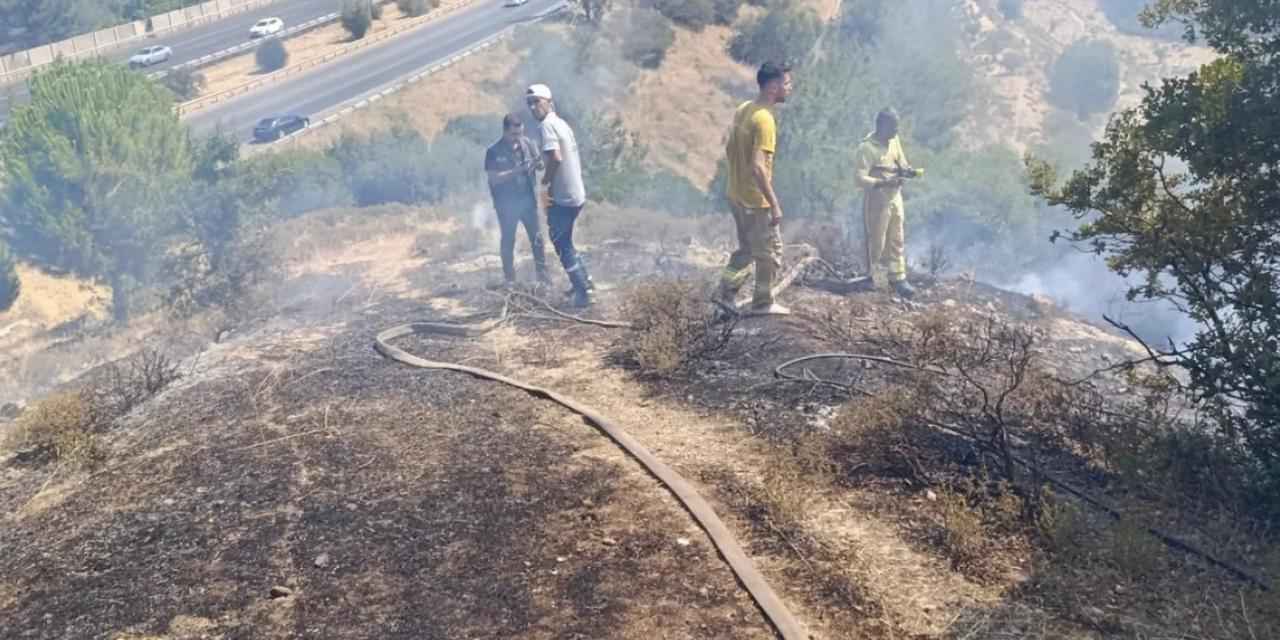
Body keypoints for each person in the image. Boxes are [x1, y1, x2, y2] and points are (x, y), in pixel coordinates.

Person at [716, 61, 793, 315]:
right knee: (770, 252)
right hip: (755, 201)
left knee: (747, 250)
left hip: (736, 195)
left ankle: (724, 294)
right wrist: (774, 203)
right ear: (772, 86)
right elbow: (759, 167)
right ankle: (763, 302)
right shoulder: (765, 120)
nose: (789, 88)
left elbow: (729, 149)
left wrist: (737, 180)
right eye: (786, 83)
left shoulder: (744, 109)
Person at [525, 83, 593, 308]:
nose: (533, 107)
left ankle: (582, 292)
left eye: (537, 102)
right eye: (530, 103)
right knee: (566, 240)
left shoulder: (546, 126)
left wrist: (546, 183)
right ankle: (584, 280)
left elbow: (555, 158)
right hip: (576, 193)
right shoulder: (561, 123)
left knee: (560, 243)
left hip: (563, 196)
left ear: (549, 103)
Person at [855, 107, 917, 299]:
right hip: (877, 200)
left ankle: (898, 278)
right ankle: (876, 280)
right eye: (893, 127)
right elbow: (859, 179)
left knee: (897, 238)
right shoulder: (866, 148)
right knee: (877, 241)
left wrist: (907, 170)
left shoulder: (894, 141)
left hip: (895, 197)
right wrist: (883, 182)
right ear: (882, 126)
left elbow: (901, 161)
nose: (896, 131)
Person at [484, 113, 550, 288]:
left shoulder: (528, 144)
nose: (517, 138)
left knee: (537, 239)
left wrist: (538, 164)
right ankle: (510, 280)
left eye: (520, 133)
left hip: (528, 201)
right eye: (514, 134)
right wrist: (517, 170)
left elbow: (541, 165)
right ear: (505, 131)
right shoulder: (493, 151)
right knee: (508, 240)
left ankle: (543, 279)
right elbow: (494, 179)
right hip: (506, 205)